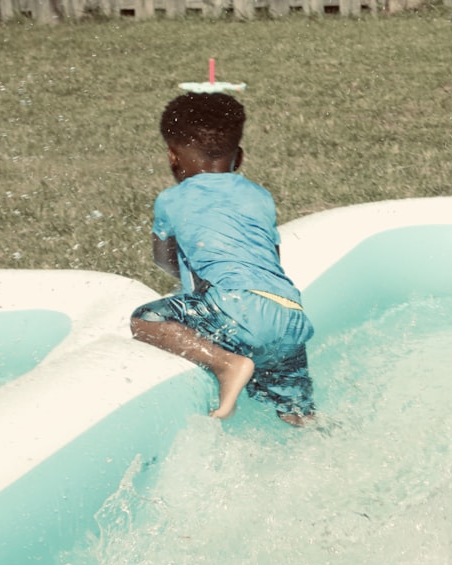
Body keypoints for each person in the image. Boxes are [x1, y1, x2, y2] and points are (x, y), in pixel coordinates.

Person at [130, 92, 315, 425]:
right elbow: (270, 260)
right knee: (298, 415)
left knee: (144, 319)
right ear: (239, 157)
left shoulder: (172, 200)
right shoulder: (260, 196)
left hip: (235, 307)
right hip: (290, 314)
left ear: (172, 157)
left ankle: (226, 365)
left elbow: (164, 260)